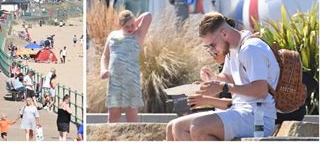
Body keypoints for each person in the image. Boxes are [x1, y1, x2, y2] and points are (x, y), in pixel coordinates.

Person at [166, 12, 280, 141]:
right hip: (240, 111)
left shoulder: (251, 49)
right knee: (175, 127)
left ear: (224, 33)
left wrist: (222, 87)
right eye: (208, 47)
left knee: (198, 127)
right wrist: (213, 79)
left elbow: (260, 90)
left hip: (258, 117)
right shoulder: (232, 50)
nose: (212, 50)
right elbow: (228, 78)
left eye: (212, 45)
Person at [101, 10, 152, 123]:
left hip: (131, 81)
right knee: (113, 117)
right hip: (115, 80)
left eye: (132, 25)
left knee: (132, 118)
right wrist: (103, 69)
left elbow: (148, 15)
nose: (130, 28)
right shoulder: (113, 35)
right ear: (120, 25)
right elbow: (105, 55)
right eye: (126, 26)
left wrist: (135, 21)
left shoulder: (138, 34)